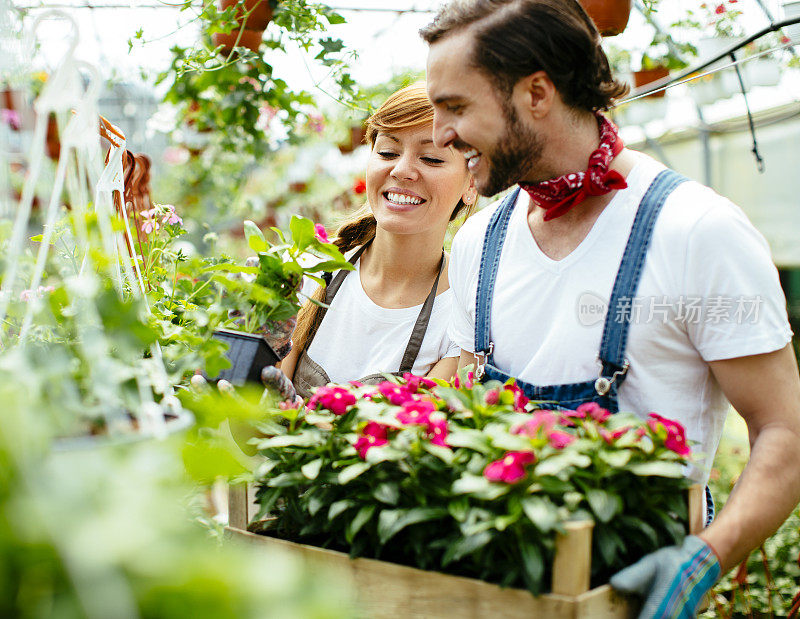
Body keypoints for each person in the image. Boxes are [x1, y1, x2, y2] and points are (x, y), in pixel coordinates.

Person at [421, 1, 800, 617]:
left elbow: (785, 429)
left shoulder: (696, 231)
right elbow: (464, 403)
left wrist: (704, 559)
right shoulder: (477, 242)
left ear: (537, 92)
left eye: (456, 107)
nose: (439, 135)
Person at [279, 83, 477, 399]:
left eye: (431, 158)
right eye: (387, 152)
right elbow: (253, 423)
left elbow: (414, 437)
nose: (401, 170)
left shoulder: (466, 313)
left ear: (473, 182)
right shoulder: (309, 270)